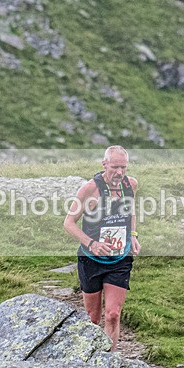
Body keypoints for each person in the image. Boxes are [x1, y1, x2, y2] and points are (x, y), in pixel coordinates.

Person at [63, 145, 141, 351]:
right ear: (104, 164)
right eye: (115, 167)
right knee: (93, 318)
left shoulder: (130, 185)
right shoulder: (90, 189)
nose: (119, 172)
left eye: (123, 167)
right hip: (91, 259)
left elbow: (131, 211)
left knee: (113, 314)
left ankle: (110, 360)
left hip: (119, 259)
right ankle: (91, 359)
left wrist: (132, 235)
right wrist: (92, 244)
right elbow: (68, 223)